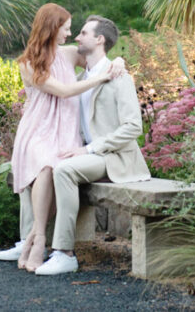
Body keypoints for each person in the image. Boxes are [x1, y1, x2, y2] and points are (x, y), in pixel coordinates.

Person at [33, 14, 151, 276]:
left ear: (99, 40)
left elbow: (133, 128)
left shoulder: (119, 77)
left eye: (83, 33)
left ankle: (64, 254)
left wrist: (89, 149)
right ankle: (28, 241)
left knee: (63, 169)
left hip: (113, 157)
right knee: (42, 164)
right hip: (86, 154)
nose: (76, 37)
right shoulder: (78, 80)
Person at [7, 4, 121, 272]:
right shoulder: (27, 63)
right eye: (66, 28)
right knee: (45, 165)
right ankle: (39, 239)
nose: (70, 34)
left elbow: (98, 59)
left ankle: (33, 238)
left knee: (53, 166)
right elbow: (65, 91)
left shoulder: (69, 54)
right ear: (52, 28)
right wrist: (101, 79)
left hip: (65, 128)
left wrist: (118, 62)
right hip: (38, 128)